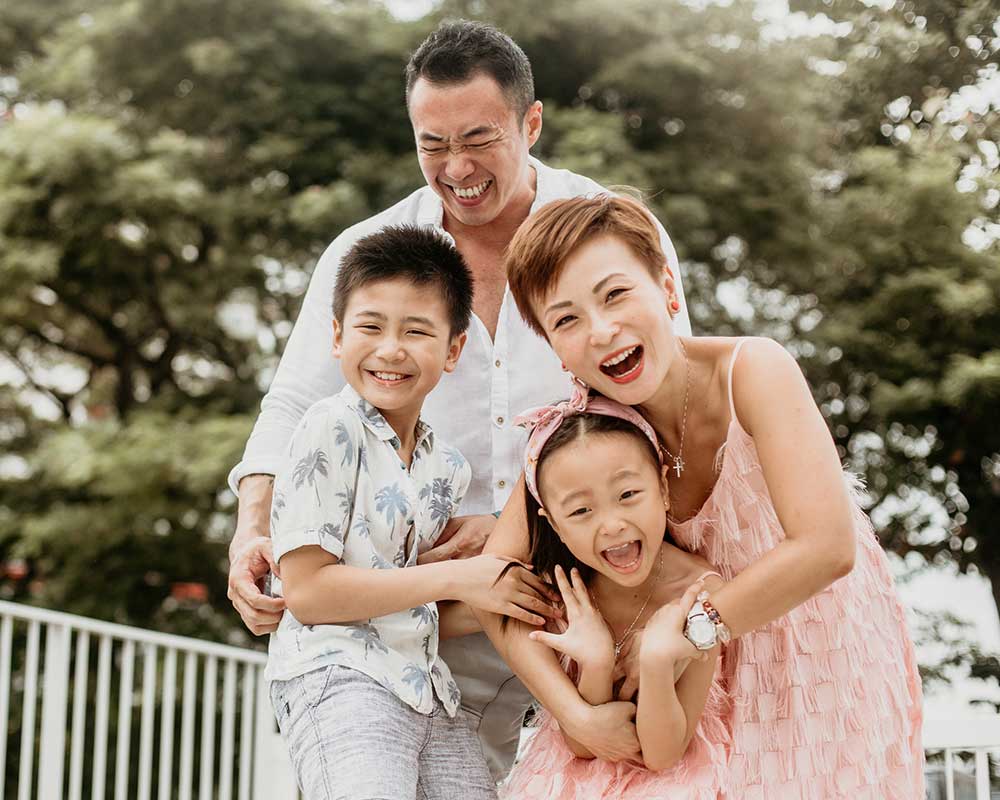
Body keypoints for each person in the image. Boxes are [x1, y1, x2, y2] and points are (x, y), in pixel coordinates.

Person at [227, 20, 692, 776]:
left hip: (592, 593)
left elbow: (662, 394)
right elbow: (289, 406)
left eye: (479, 139)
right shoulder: (368, 253)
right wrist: (253, 528)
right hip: (431, 624)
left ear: (531, 123)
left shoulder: (608, 230)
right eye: (432, 144)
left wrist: (519, 521)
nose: (457, 167)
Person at [483, 193, 924, 797]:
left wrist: (690, 632)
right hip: (689, 688)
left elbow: (826, 547)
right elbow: (496, 584)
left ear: (667, 286)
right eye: (566, 320)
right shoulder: (589, 430)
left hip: (816, 663)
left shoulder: (753, 371)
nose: (601, 330)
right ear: (553, 347)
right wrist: (574, 712)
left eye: (615, 294)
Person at [266, 225, 554, 800]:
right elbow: (309, 593)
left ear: (453, 350)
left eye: (416, 331)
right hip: (337, 674)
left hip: (428, 687)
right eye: (370, 327)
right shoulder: (330, 426)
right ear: (338, 337)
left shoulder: (444, 467)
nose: (390, 349)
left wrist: (517, 593)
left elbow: (416, 609)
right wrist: (459, 577)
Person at [498, 392, 730, 799]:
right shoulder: (569, 590)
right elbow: (582, 745)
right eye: (580, 512)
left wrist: (658, 661)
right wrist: (597, 662)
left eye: (627, 495)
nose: (611, 525)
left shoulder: (699, 592)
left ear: (660, 483)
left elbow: (664, 754)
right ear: (552, 523)